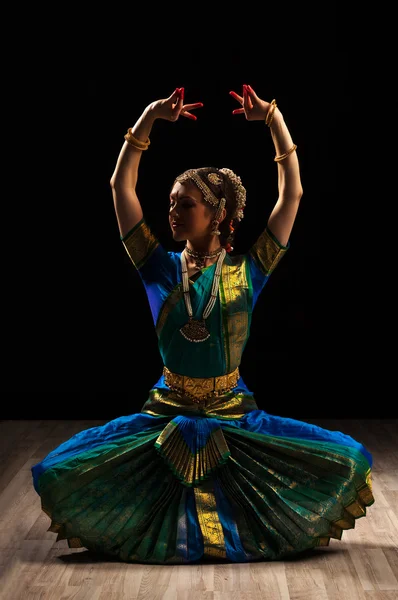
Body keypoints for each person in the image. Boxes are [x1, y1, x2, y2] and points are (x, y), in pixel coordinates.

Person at [31, 85, 374, 564]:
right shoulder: (157, 267)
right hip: (166, 412)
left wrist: (274, 119)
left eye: (184, 204)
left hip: (233, 414)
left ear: (218, 215)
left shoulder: (247, 272)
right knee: (58, 470)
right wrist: (148, 119)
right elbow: (120, 187)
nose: (171, 212)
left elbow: (292, 192)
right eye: (171, 202)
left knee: (349, 459)